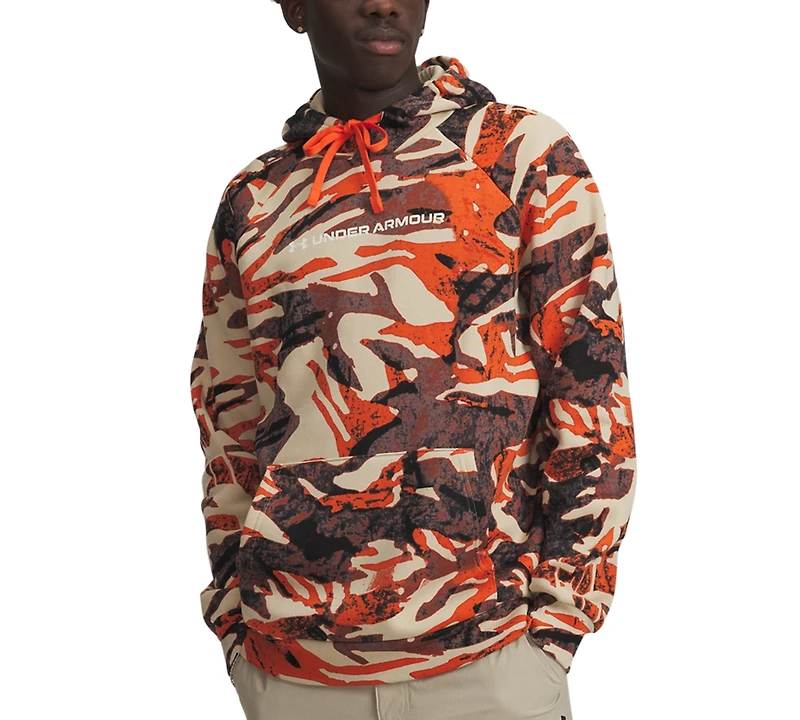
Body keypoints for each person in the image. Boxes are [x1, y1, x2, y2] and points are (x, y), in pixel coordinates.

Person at [189, 1, 637, 718]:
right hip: (296, 673)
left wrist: (557, 629)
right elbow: (229, 423)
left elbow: (591, 391)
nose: (383, 2)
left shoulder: (518, 154)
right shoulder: (256, 200)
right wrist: (235, 626)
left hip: (490, 666)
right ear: (295, 8)